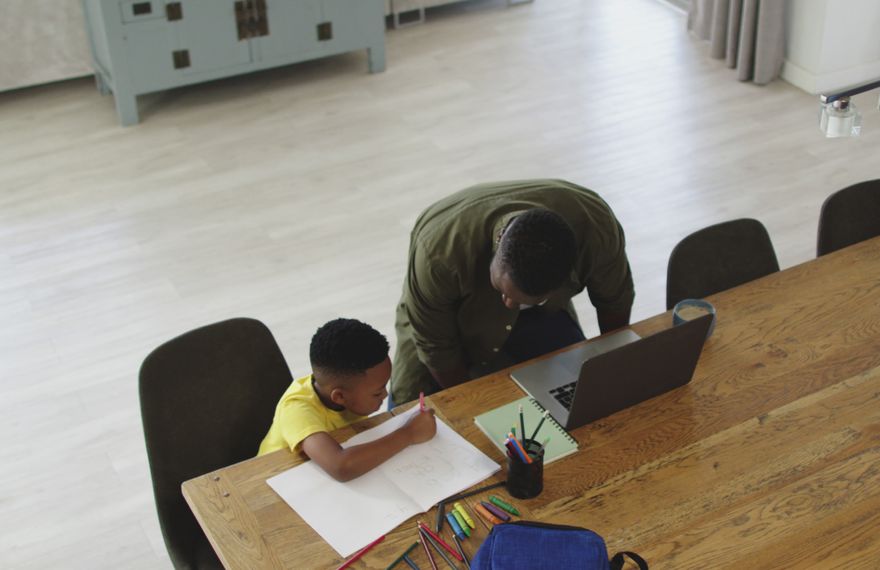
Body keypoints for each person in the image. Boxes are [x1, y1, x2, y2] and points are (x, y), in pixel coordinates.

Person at [390, 179, 635, 406]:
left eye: (521, 300)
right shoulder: (438, 254)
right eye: (501, 290)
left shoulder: (596, 228)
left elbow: (615, 300)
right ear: (499, 242)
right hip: (447, 321)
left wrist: (612, 370)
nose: (508, 304)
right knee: (410, 410)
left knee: (578, 394)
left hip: (541, 317)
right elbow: (435, 347)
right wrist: (473, 405)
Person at [258, 318, 437, 482]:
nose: (385, 395)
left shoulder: (346, 390)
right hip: (273, 483)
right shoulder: (296, 409)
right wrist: (409, 433)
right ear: (340, 397)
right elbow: (341, 467)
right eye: (377, 393)